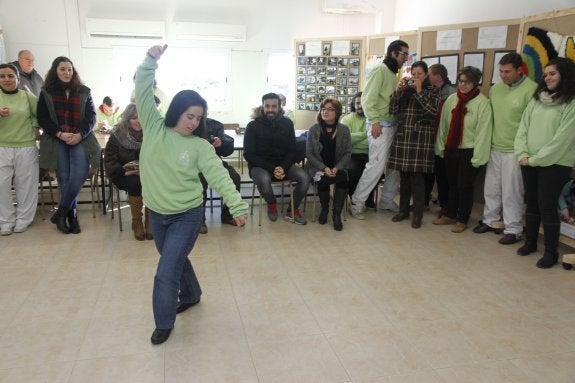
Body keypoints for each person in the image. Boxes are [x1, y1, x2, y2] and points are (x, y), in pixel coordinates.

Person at [136, 44, 248, 345]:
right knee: (174, 258)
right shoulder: (154, 127)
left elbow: (219, 175)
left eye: (198, 118)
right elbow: (143, 89)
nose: (194, 122)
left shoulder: (199, 146)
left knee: (165, 270)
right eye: (190, 116)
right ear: (176, 111)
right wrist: (150, 61)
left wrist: (236, 206)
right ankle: (193, 294)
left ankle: (163, 322)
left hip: (187, 214)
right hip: (157, 213)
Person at [514, 57, 575, 269]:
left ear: (564, 76)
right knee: (531, 203)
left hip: (555, 163)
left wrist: (534, 159)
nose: (547, 78)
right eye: (546, 74)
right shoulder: (537, 99)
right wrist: (522, 153)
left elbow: (562, 140)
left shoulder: (572, 103)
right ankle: (530, 242)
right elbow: (523, 127)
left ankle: (551, 252)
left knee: (547, 206)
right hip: (529, 160)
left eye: (553, 74)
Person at [473, 53, 537, 245]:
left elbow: (531, 124)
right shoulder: (496, 89)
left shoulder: (531, 89)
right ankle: (490, 220)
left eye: (507, 72)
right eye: (501, 71)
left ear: (520, 70)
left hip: (515, 150)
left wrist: (525, 151)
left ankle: (513, 229)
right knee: (491, 188)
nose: (503, 75)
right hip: (494, 146)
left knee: (512, 192)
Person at [37, 56, 100, 235]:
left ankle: (61, 211)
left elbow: (91, 116)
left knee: (79, 174)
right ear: (55, 71)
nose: (66, 72)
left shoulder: (84, 91)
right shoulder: (46, 92)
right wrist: (60, 133)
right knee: (64, 178)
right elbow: (43, 118)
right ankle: (71, 217)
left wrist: (79, 134)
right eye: (62, 69)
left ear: (74, 72)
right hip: (58, 139)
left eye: (69, 69)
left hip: (80, 137)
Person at [349, 40, 410, 219]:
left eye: (407, 55)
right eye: (404, 54)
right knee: (375, 167)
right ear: (393, 53)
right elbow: (367, 100)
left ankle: (386, 200)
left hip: (392, 125)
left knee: (394, 167)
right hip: (380, 126)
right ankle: (357, 203)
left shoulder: (393, 73)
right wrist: (374, 122)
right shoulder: (380, 70)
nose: (406, 58)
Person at [433, 66, 492, 233]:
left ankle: (462, 218)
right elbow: (443, 126)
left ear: (475, 83)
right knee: (452, 184)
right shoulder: (452, 100)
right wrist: (441, 146)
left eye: (467, 82)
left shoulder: (482, 103)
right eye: (460, 81)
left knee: (464, 185)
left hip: (470, 151)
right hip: (452, 149)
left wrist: (478, 157)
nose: (463, 85)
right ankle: (450, 213)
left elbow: (483, 132)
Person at [388, 61, 441, 228]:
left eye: (419, 74)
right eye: (414, 74)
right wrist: (397, 91)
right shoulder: (406, 90)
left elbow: (431, 112)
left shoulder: (433, 91)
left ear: (426, 75)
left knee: (417, 179)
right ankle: (403, 211)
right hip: (404, 137)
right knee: (404, 178)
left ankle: (417, 214)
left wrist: (419, 92)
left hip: (420, 140)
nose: (416, 77)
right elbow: (393, 109)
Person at [244, 92, 310, 225]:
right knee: (263, 179)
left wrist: (283, 167)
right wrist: (273, 168)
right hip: (260, 166)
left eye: (274, 106)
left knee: (305, 178)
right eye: (267, 106)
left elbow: (292, 150)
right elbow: (249, 154)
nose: (270, 109)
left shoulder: (287, 123)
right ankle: (272, 203)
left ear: (279, 107)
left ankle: (292, 209)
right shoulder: (252, 126)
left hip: (284, 165)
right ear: (262, 107)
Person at [0, 63, 40, 235]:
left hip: (25, 146)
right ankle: (6, 220)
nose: (6, 79)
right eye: (2, 76)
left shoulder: (27, 96)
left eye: (10, 76)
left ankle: (24, 219)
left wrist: (34, 125)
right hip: (2, 146)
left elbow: (39, 115)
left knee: (26, 185)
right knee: (1, 185)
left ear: (17, 78)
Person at [104, 103, 152, 241]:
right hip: (123, 174)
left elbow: (160, 156)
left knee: (152, 183)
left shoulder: (152, 133)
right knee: (136, 183)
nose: (138, 121)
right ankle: (137, 221)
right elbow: (109, 159)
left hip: (148, 173)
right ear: (127, 119)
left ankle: (150, 221)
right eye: (134, 118)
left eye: (141, 117)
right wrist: (125, 172)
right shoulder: (117, 134)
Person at [305, 98, 351, 231]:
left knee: (344, 177)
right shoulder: (314, 129)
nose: (325, 111)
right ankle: (324, 209)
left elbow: (348, 153)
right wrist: (324, 168)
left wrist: (337, 168)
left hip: (337, 166)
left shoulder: (344, 130)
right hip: (318, 166)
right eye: (323, 109)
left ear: (337, 113)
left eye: (330, 109)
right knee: (323, 180)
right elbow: (310, 154)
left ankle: (336, 214)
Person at [198, 117, 242, 234]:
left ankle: (227, 215)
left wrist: (221, 143)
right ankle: (199, 220)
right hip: (193, 165)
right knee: (199, 182)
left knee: (234, 177)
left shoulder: (214, 125)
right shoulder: (183, 125)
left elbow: (227, 149)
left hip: (214, 162)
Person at [425, 63, 456, 215]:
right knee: (427, 174)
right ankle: (424, 202)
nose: (426, 77)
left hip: (443, 141)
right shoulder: (430, 91)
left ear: (437, 77)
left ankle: (445, 205)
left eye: (429, 74)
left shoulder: (451, 94)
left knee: (443, 176)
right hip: (429, 140)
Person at [340, 92, 376, 208]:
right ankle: (354, 198)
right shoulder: (346, 119)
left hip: (369, 154)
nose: (360, 106)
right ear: (353, 105)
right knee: (353, 171)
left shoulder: (374, 120)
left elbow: (374, 140)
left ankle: (368, 198)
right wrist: (366, 134)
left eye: (362, 103)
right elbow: (346, 139)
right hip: (351, 154)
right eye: (357, 103)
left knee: (376, 172)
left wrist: (356, 137)